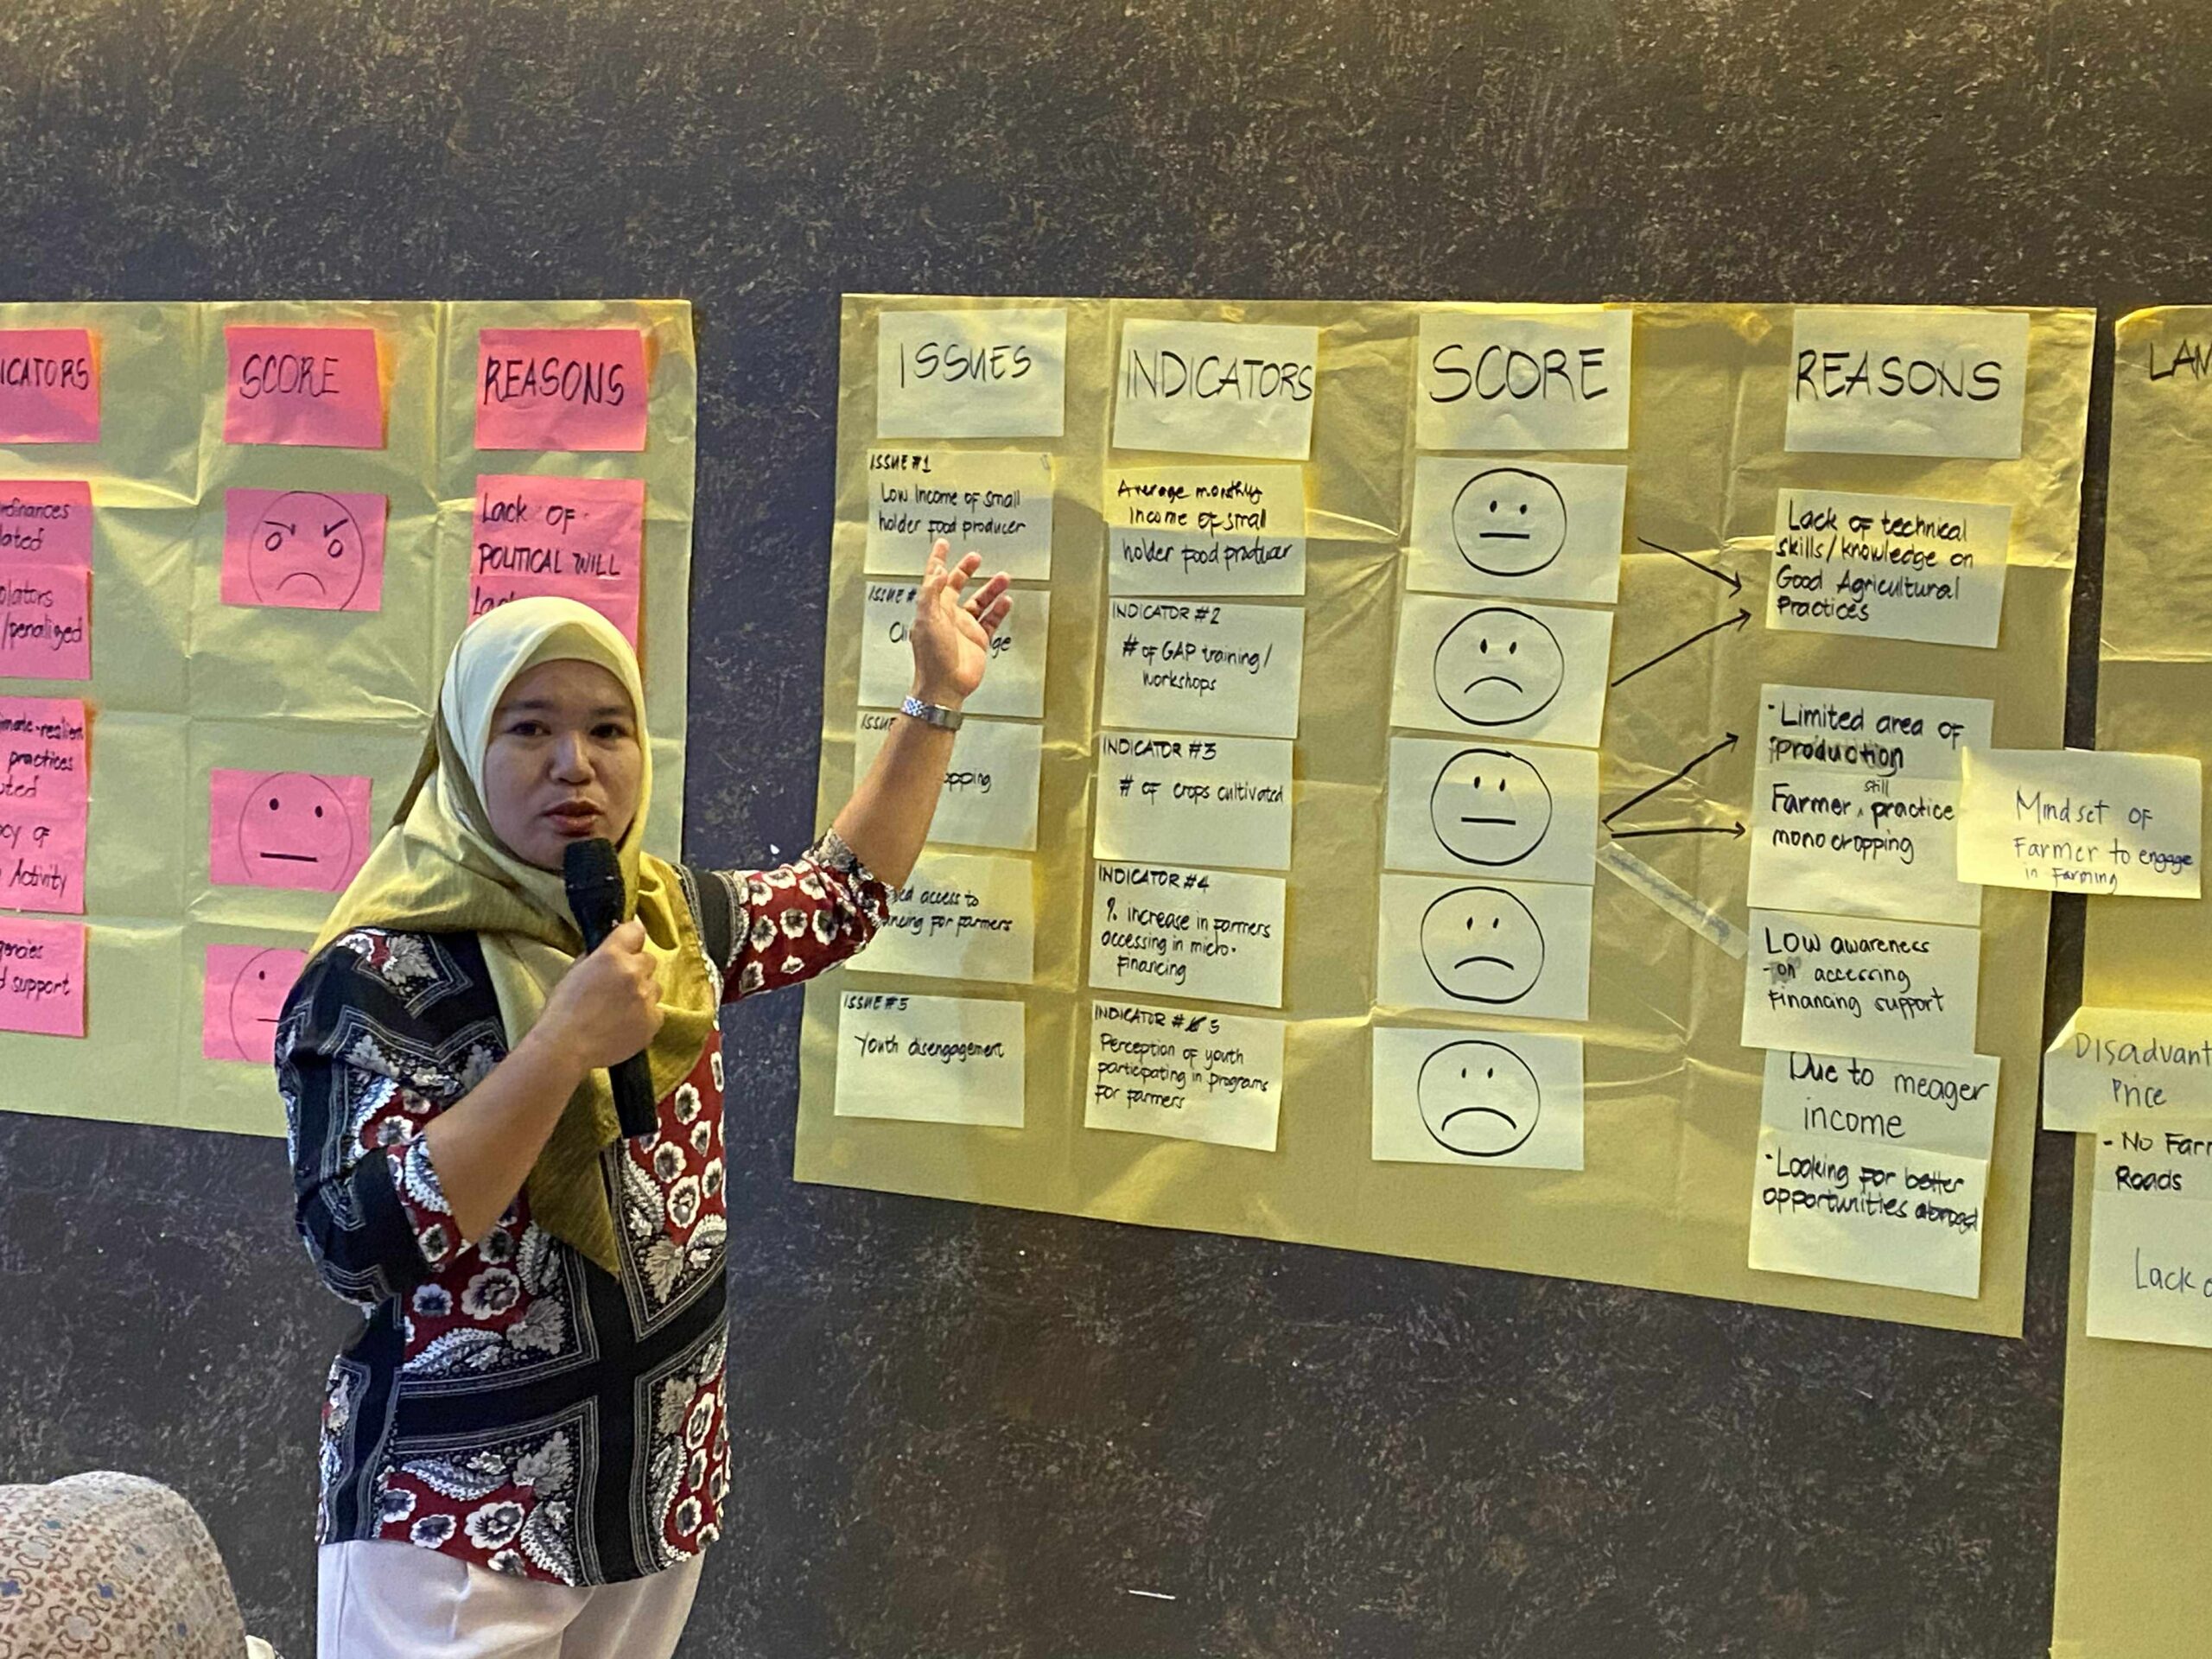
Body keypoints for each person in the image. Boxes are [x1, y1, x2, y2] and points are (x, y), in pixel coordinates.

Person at [277, 541, 1008, 1658]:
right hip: (457, 1513)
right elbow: (356, 1244)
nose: (575, 764)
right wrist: (558, 1046)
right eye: (529, 728)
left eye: (609, 730)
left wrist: (935, 700)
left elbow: (839, 899)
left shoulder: (664, 919)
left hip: (655, 1482)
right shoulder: (380, 972)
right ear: (466, 749)